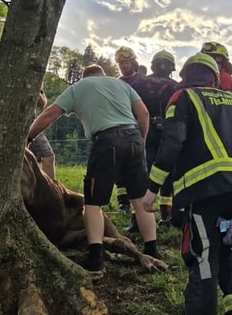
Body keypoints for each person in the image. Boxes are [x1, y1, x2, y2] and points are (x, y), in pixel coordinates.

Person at [142, 53, 232, 315]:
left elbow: (171, 145)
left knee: (202, 257)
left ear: (185, 76)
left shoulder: (183, 98)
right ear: (215, 78)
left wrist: (152, 190)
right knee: (224, 248)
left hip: (204, 194)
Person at [28, 64, 159, 271]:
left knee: (92, 202)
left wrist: (28, 138)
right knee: (140, 199)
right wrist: (141, 141)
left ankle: (96, 257)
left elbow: (49, 114)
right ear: (102, 75)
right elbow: (143, 112)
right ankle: (152, 251)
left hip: (106, 141)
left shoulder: (79, 87)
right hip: (133, 137)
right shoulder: (121, 85)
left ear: (84, 76)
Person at [141, 50, 179, 226]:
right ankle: (167, 215)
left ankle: (140, 216)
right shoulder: (176, 86)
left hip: (146, 131)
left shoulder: (141, 83)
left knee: (145, 169)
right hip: (167, 132)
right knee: (167, 170)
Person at [114, 46, 144, 217]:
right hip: (122, 127)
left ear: (133, 62)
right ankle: (123, 202)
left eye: (125, 62)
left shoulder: (143, 82)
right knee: (119, 166)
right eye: (120, 63)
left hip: (139, 126)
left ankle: (139, 204)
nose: (123, 65)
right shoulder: (117, 83)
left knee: (138, 167)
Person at [29, 88, 57, 180]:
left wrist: (38, 94)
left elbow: (42, 104)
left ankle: (49, 191)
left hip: (31, 124)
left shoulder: (35, 76)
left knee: (48, 157)